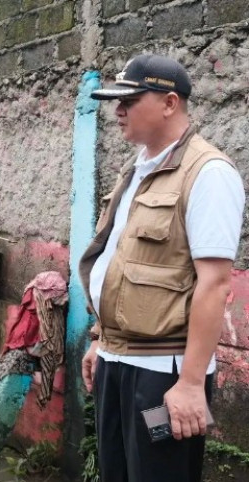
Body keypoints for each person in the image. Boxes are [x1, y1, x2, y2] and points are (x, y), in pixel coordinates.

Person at [79, 54, 245, 482]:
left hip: (162, 378)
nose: (117, 111)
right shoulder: (137, 169)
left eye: (129, 100)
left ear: (170, 103)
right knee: (116, 472)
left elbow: (214, 283)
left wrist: (190, 384)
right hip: (117, 363)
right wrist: (102, 340)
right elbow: (121, 262)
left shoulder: (208, 173)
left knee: (159, 475)